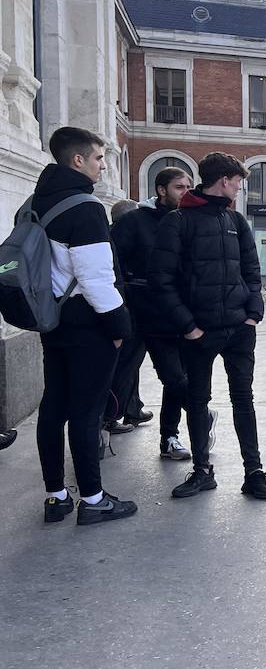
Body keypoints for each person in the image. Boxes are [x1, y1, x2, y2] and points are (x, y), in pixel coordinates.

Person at [150, 152, 266, 500]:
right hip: (199, 331)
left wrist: (253, 313)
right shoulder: (178, 222)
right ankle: (202, 471)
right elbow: (161, 280)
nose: (239, 186)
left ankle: (254, 472)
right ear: (224, 180)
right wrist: (188, 326)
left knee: (243, 400)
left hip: (239, 328)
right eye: (237, 181)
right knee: (197, 399)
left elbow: (253, 273)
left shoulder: (236, 221)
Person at [31, 127, 138, 524]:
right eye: (98, 158)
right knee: (87, 410)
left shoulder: (34, 202)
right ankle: (93, 500)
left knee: (53, 406)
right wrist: (118, 327)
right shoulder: (86, 208)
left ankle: (56, 497)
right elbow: (95, 279)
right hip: (87, 321)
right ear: (77, 160)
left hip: (51, 318)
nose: (102, 165)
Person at [111, 168, 196, 461]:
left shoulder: (186, 222)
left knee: (175, 379)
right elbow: (113, 266)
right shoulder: (133, 221)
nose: (185, 192)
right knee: (119, 375)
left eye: (188, 186)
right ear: (161, 190)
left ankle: (170, 437)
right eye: (179, 187)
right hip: (135, 314)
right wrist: (119, 307)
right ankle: (103, 423)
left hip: (170, 315)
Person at [102, 198, 153, 436]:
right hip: (128, 309)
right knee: (125, 364)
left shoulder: (113, 235)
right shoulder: (122, 239)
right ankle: (111, 416)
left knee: (130, 364)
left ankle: (132, 408)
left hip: (130, 307)